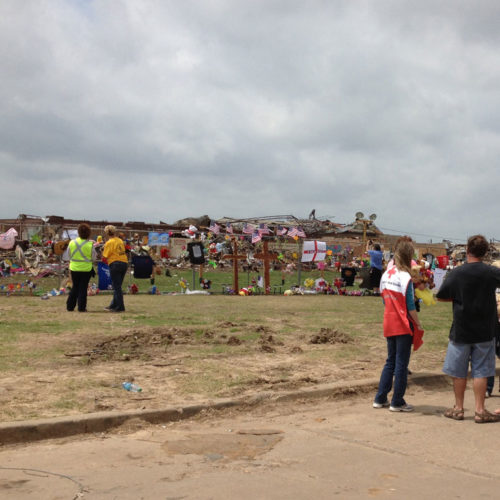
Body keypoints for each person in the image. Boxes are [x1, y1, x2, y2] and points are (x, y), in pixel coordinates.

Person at [436, 235, 500, 423]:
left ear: (467, 250)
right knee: (481, 371)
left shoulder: (457, 272)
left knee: (459, 370)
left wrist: (457, 298)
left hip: (461, 328)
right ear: (485, 251)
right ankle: (480, 410)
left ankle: (458, 407)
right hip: (485, 329)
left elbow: (441, 296)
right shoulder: (490, 272)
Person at [373, 240, 422, 412]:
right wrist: (418, 323)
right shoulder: (406, 277)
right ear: (409, 257)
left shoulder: (386, 274)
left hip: (389, 320)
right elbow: (410, 306)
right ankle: (397, 401)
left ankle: (380, 397)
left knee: (390, 361)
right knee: (402, 363)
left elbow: (383, 297)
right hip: (403, 323)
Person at [66, 223, 96, 312]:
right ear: (89, 233)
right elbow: (93, 257)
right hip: (86, 269)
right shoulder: (90, 245)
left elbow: (68, 255)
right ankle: (81, 307)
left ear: (78, 232)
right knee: (83, 287)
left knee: (75, 286)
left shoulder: (72, 242)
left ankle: (70, 306)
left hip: (74, 268)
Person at [102, 225, 128, 312]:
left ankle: (120, 307)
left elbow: (105, 256)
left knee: (117, 287)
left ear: (106, 233)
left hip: (115, 264)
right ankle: (113, 305)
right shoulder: (120, 240)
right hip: (124, 263)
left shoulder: (109, 242)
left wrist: (101, 249)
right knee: (118, 286)